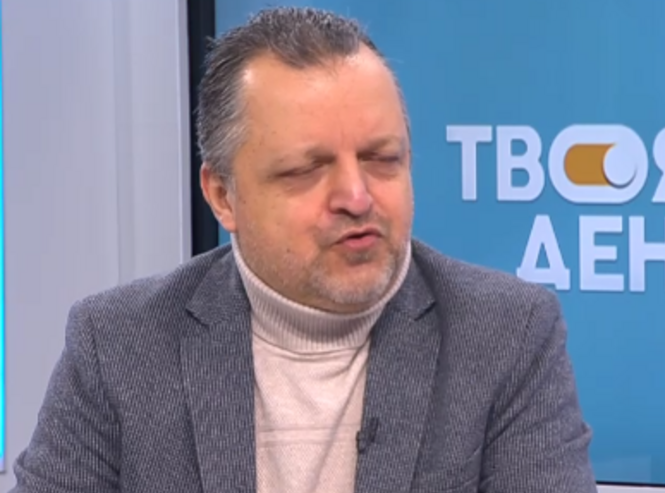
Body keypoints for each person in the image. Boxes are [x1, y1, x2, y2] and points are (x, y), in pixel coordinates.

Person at [11, 7, 597, 493]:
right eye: (306, 170)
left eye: (382, 159)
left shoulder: (506, 335)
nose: (356, 197)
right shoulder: (118, 346)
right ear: (223, 196)